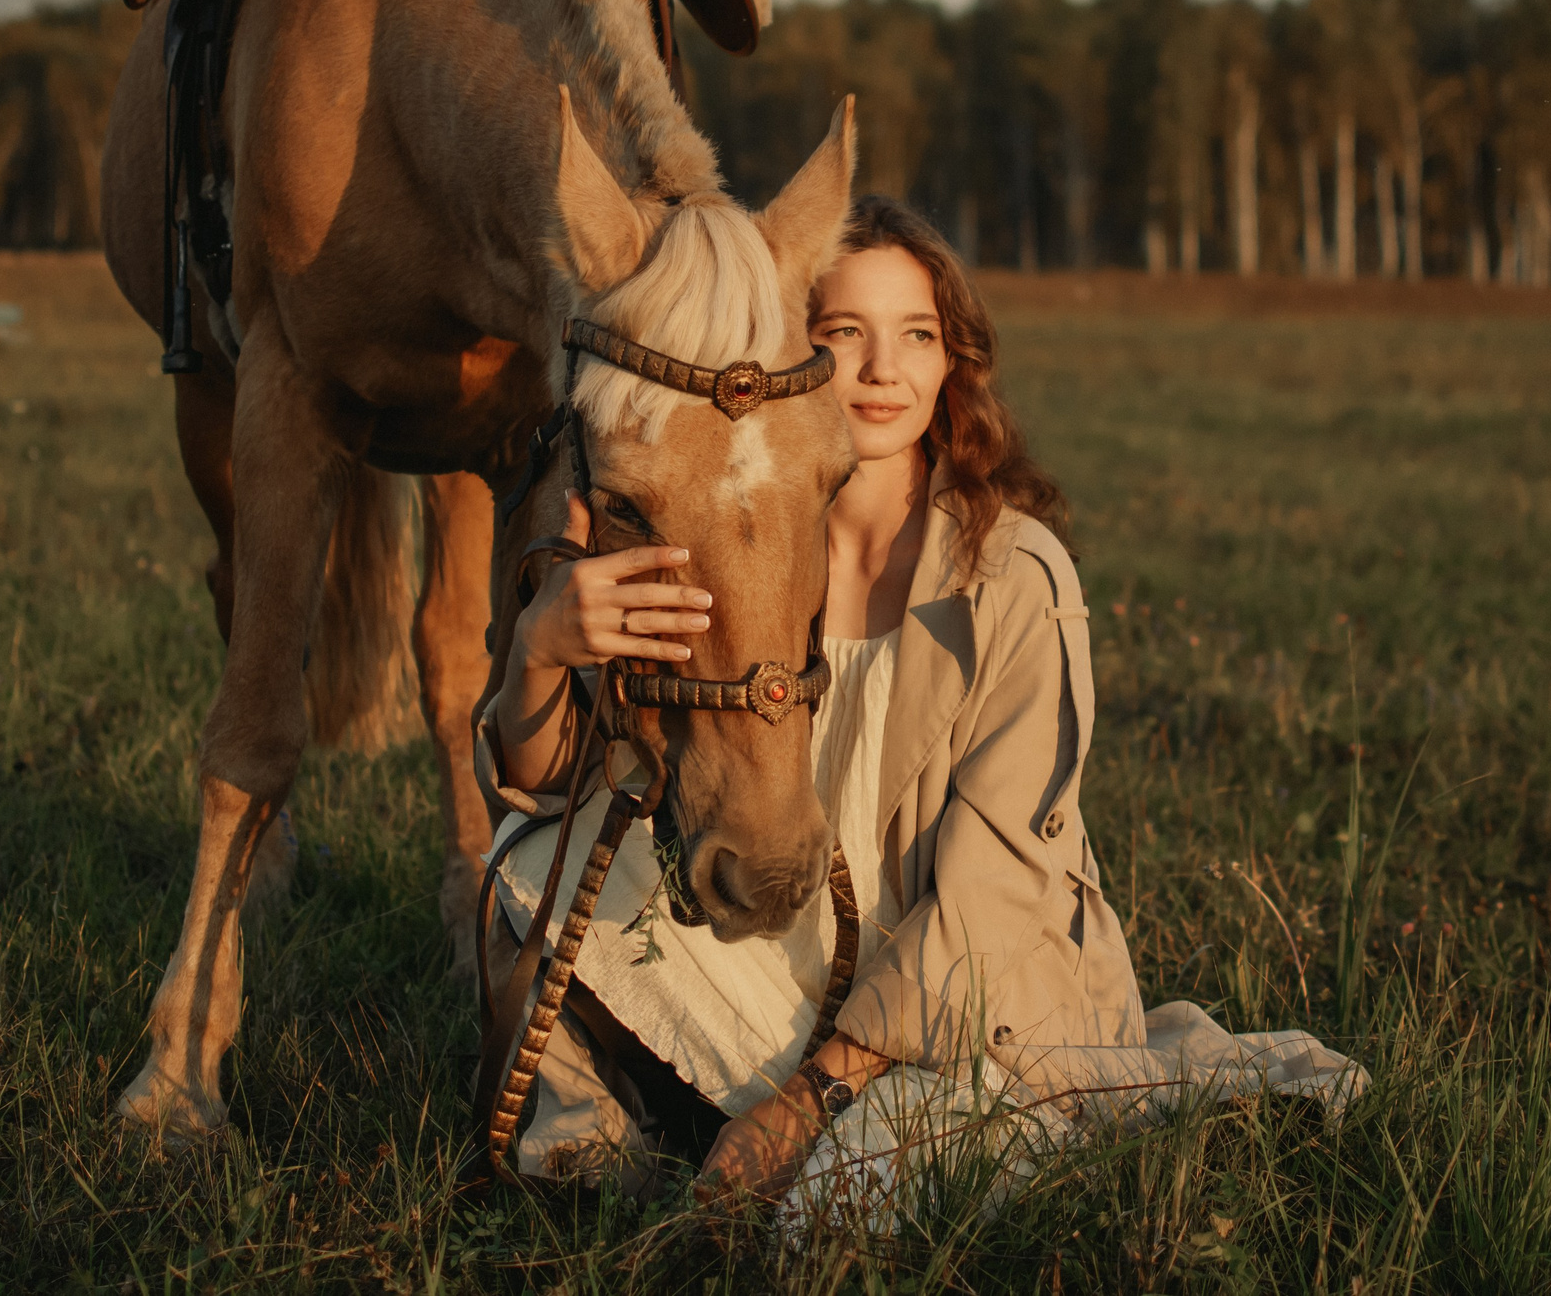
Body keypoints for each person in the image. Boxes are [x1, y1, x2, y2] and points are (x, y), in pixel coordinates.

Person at [477, 196, 1359, 1206]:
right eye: (839, 334)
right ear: (778, 357)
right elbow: (544, 793)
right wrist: (540, 651)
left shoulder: (1014, 577)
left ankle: (849, 1126)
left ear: (952, 362)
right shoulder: (729, 545)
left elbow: (991, 899)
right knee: (524, 867)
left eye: (916, 336)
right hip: (796, 954)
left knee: (837, 1207)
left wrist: (802, 1104)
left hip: (961, 998)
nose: (879, 369)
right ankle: (596, 1164)